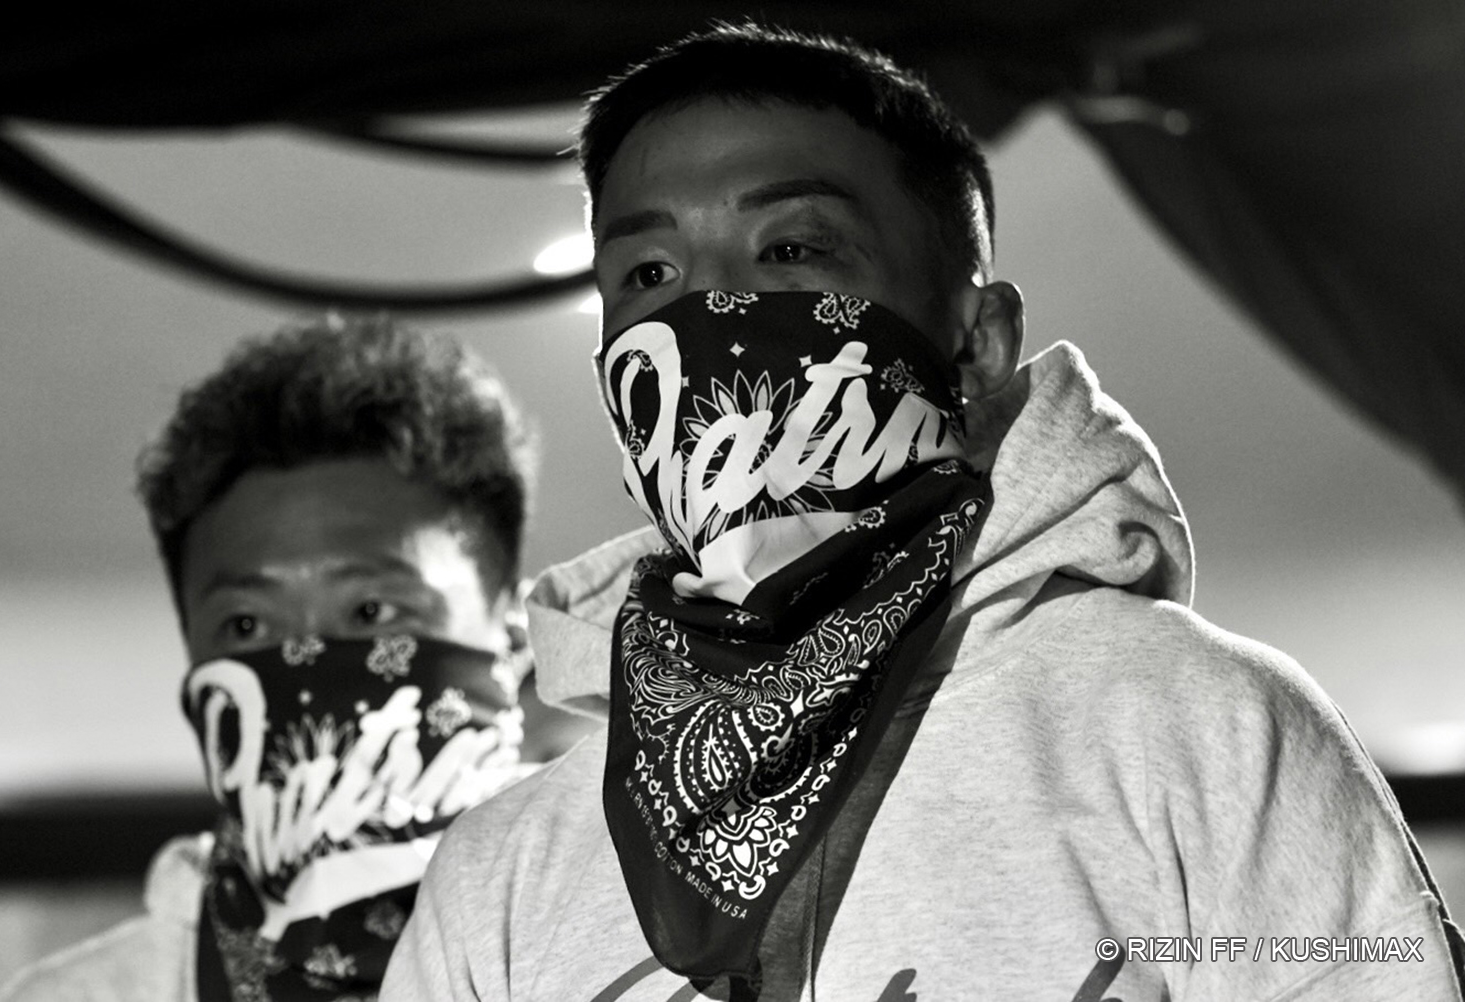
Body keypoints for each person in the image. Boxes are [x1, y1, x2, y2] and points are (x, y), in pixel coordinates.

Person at [382, 22, 1465, 1002]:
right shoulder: (507, 872)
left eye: (793, 250)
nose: (710, 312)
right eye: (649, 271)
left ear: (977, 342)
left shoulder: (1197, 731)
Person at [0, 313, 593, 1002]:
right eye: (247, 623)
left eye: (372, 612)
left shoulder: (648, 950)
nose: (306, 662)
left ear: (512, 642)